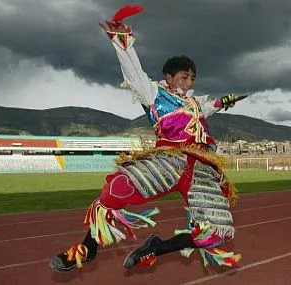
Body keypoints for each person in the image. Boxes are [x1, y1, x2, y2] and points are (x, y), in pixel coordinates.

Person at [49, 9, 242, 272]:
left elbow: (208, 106)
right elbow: (134, 73)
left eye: (193, 78)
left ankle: (157, 247)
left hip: (203, 170)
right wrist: (122, 42)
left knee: (216, 234)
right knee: (116, 189)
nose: (189, 82)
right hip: (170, 161)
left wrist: (222, 102)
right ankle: (88, 248)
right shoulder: (155, 94)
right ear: (170, 77)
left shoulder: (195, 103)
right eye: (184, 77)